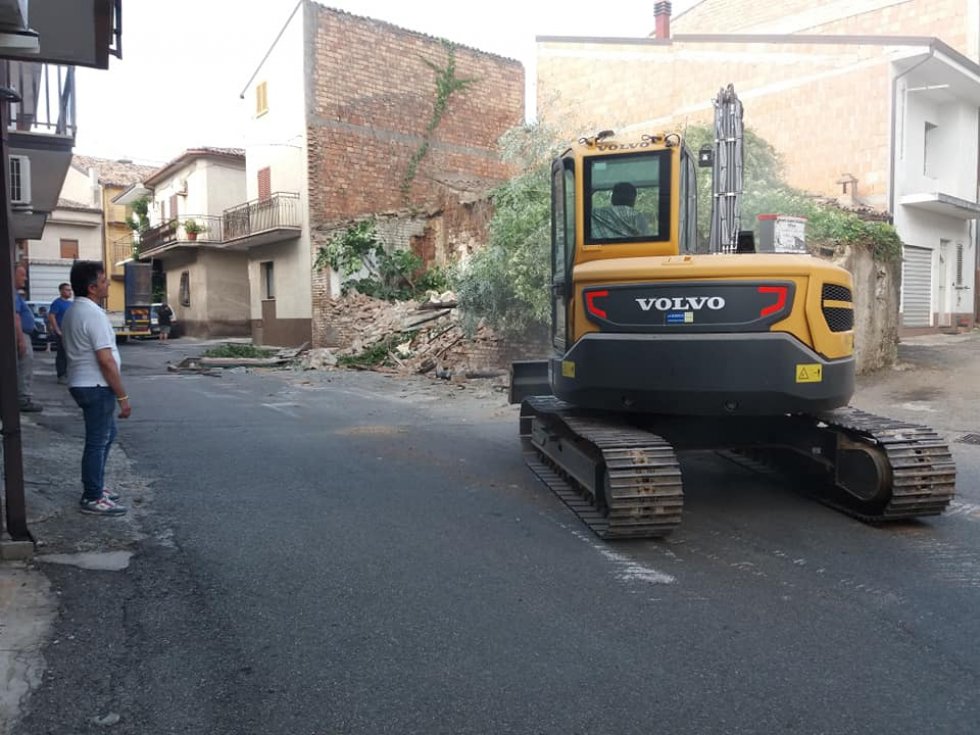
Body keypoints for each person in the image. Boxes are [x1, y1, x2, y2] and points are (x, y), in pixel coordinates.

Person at [62, 261, 130, 516]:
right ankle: (92, 496)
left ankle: (97, 487)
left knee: (106, 436)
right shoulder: (93, 314)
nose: (108, 284)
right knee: (97, 441)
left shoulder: (75, 310)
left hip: (84, 383)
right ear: (92, 288)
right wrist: (123, 396)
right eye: (103, 281)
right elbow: (106, 360)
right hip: (96, 386)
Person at [13, 264, 42, 412]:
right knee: (24, 367)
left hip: (23, 334)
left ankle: (22, 398)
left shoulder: (15, 294)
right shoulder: (11, 293)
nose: (25, 278)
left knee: (24, 366)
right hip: (21, 335)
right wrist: (21, 340)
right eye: (22, 274)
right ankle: (22, 400)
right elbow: (15, 317)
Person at [48, 282, 73, 384]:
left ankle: (69, 374)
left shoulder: (71, 303)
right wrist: (57, 330)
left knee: (69, 354)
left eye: (70, 290)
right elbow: (51, 316)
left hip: (70, 333)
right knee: (62, 354)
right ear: (61, 291)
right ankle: (61, 375)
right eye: (67, 290)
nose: (69, 292)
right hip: (61, 333)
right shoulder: (57, 303)